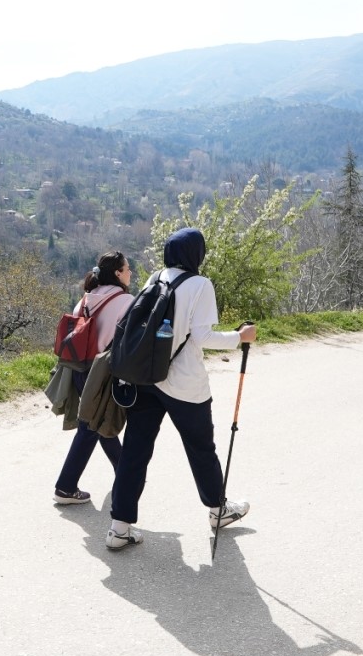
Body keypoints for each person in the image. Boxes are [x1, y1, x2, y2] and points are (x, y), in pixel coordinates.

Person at [106, 227, 257, 550]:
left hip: (147, 379)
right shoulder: (200, 285)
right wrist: (239, 337)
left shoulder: (154, 278)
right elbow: (202, 336)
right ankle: (218, 510)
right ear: (195, 254)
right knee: (201, 448)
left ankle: (119, 527)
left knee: (135, 451)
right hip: (185, 384)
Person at [51, 251, 132, 505]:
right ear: (118, 273)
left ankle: (125, 471)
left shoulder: (85, 299)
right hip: (102, 373)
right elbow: (129, 341)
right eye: (127, 268)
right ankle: (65, 487)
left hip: (80, 368)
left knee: (98, 420)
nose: (130, 272)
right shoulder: (126, 300)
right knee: (90, 427)